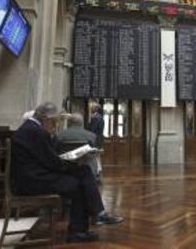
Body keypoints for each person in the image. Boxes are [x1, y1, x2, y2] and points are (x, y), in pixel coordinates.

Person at [11, 102, 123, 243]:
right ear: (46, 119)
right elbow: (52, 162)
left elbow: (49, 159)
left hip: (35, 176)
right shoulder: (35, 131)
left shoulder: (32, 129)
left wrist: (72, 163)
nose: (55, 126)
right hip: (32, 181)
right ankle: (82, 227)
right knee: (78, 181)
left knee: (82, 172)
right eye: (54, 122)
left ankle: (86, 224)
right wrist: (73, 163)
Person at [56, 113, 101, 178]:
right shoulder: (91, 136)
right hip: (86, 170)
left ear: (69, 123)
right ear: (82, 123)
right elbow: (93, 152)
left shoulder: (59, 135)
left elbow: (54, 151)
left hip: (64, 169)